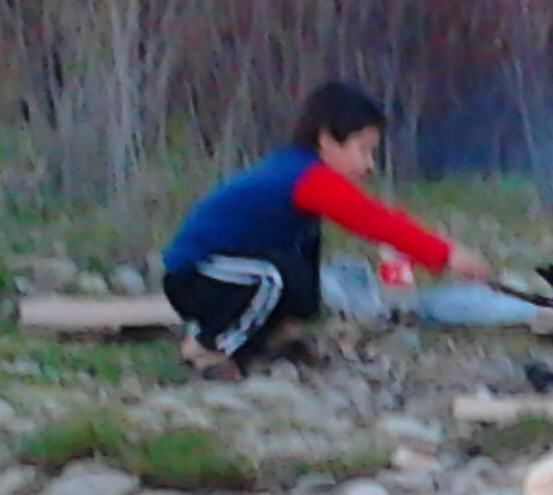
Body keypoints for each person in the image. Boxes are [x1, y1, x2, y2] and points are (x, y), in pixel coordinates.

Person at [162, 81, 490, 380]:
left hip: (230, 268)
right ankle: (209, 347)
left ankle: (272, 335)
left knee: (304, 256)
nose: (369, 164)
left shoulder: (297, 170)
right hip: (196, 275)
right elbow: (373, 219)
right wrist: (446, 254)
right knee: (270, 279)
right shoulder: (308, 178)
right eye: (362, 150)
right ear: (327, 141)